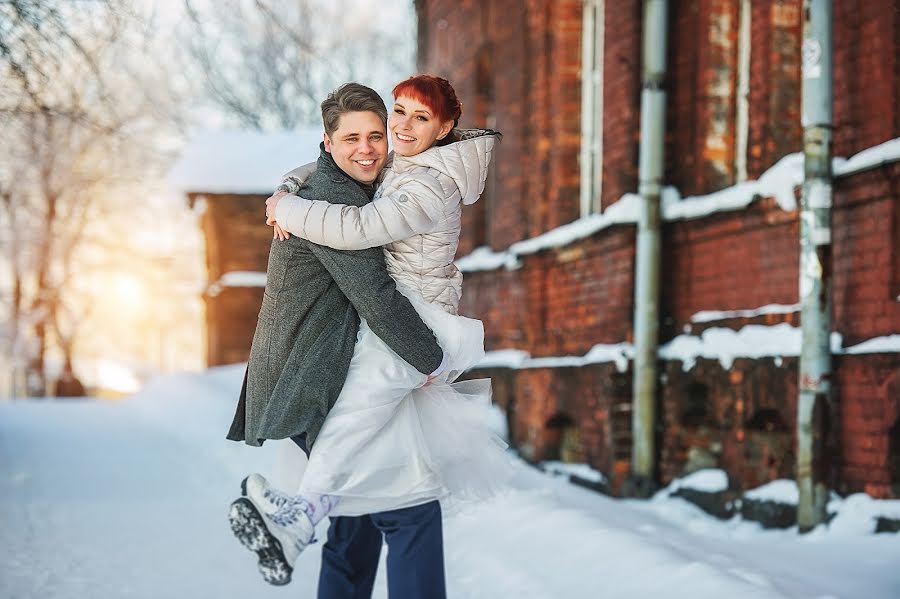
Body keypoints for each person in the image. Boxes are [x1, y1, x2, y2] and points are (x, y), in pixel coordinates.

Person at [237, 76, 511, 598]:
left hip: (414, 326)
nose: (401, 128)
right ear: (329, 144)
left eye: (419, 118)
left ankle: (303, 511)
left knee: (364, 435)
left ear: (445, 127)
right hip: (384, 333)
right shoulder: (397, 168)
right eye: (399, 114)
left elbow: (362, 230)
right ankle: (303, 509)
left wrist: (289, 208)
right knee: (386, 510)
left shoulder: (428, 182)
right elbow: (331, 175)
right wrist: (287, 189)